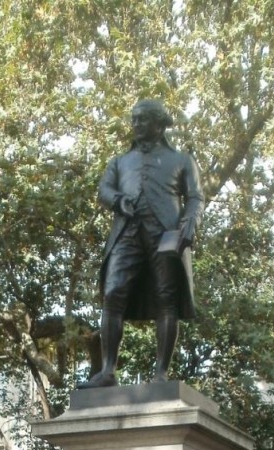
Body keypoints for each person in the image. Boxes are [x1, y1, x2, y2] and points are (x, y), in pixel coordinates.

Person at [80, 99, 204, 388]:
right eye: (134, 119)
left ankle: (161, 373)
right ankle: (107, 371)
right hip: (127, 232)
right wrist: (118, 199)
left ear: (159, 125)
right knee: (112, 293)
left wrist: (189, 223)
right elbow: (104, 189)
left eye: (142, 120)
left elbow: (196, 197)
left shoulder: (182, 160)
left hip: (166, 235)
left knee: (166, 298)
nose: (135, 125)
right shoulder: (120, 161)